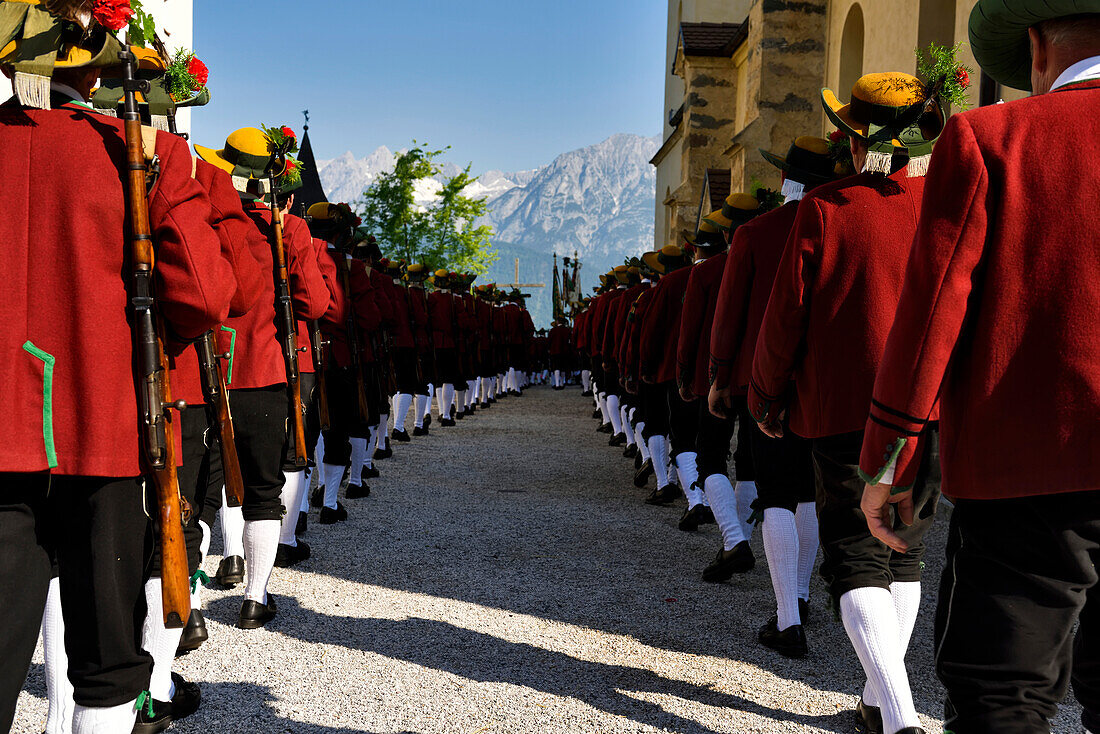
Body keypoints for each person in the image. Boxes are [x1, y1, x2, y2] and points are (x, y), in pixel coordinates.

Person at [859, 5, 1100, 732]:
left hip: (1028, 471)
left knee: (1002, 697)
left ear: (1035, 47)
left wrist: (890, 460)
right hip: (1031, 471)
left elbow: (933, 315)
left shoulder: (996, 138)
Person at [0, 5, 233, 730]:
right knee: (107, 658)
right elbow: (205, 292)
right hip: (108, 428)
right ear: (96, 69)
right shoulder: (144, 155)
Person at [749, 65, 951, 734]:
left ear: (857, 140)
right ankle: (877, 700)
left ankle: (898, 720)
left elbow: (786, 319)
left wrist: (767, 395)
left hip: (845, 410)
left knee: (857, 560)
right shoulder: (953, 203)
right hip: (929, 410)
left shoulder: (827, 209)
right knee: (905, 552)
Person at [710, 138, 842, 656]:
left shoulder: (755, 233)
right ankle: (803, 594)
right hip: (824, 387)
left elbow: (730, 316)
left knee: (777, 493)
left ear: (787, 180)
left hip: (767, 384)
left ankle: (788, 618)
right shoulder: (841, 222)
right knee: (809, 492)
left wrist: (721, 377)